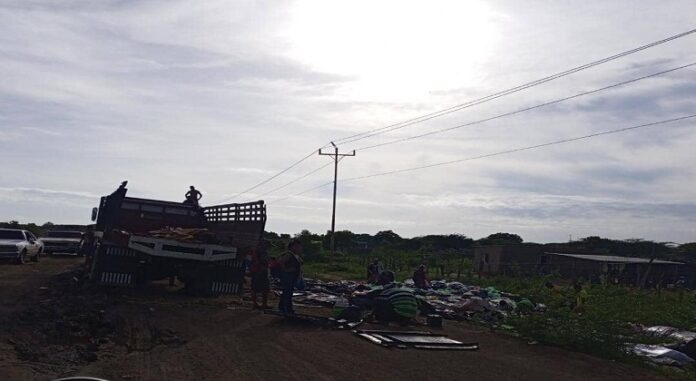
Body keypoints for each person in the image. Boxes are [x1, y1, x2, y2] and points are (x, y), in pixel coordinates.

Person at [277, 239, 303, 314]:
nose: (299, 249)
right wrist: (286, 270)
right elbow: (280, 262)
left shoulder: (295, 255)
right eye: (298, 247)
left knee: (288, 292)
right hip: (288, 276)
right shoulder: (288, 254)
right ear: (293, 247)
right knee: (287, 293)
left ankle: (284, 308)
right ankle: (286, 309)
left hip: (292, 276)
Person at [249, 241, 271, 309]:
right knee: (262, 288)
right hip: (260, 271)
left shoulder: (258, 251)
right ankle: (261, 304)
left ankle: (257, 304)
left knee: (258, 288)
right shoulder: (261, 252)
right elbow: (262, 261)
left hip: (259, 271)